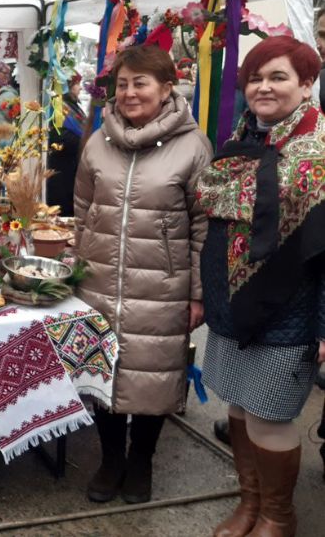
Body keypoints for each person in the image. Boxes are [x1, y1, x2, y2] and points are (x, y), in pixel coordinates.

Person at [197, 35, 325, 537]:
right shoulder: (242, 141)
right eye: (255, 78)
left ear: (307, 84)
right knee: (236, 404)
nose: (263, 87)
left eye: (278, 77)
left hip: (290, 309)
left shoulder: (318, 151)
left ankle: (278, 516)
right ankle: (249, 504)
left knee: (270, 415)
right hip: (232, 305)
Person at [74, 45, 213, 505]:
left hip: (162, 286)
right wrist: (77, 268)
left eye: (141, 83)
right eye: (123, 84)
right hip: (99, 281)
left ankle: (141, 461)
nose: (130, 93)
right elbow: (82, 209)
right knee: (105, 371)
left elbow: (203, 227)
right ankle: (111, 459)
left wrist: (197, 294)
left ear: (167, 88)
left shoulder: (193, 146)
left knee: (154, 377)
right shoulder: (99, 141)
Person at [46, 73, 88, 217]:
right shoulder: (58, 107)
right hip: (62, 172)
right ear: (68, 86)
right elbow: (58, 136)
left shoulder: (73, 106)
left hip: (72, 170)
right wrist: (84, 142)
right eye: (77, 84)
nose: (80, 88)